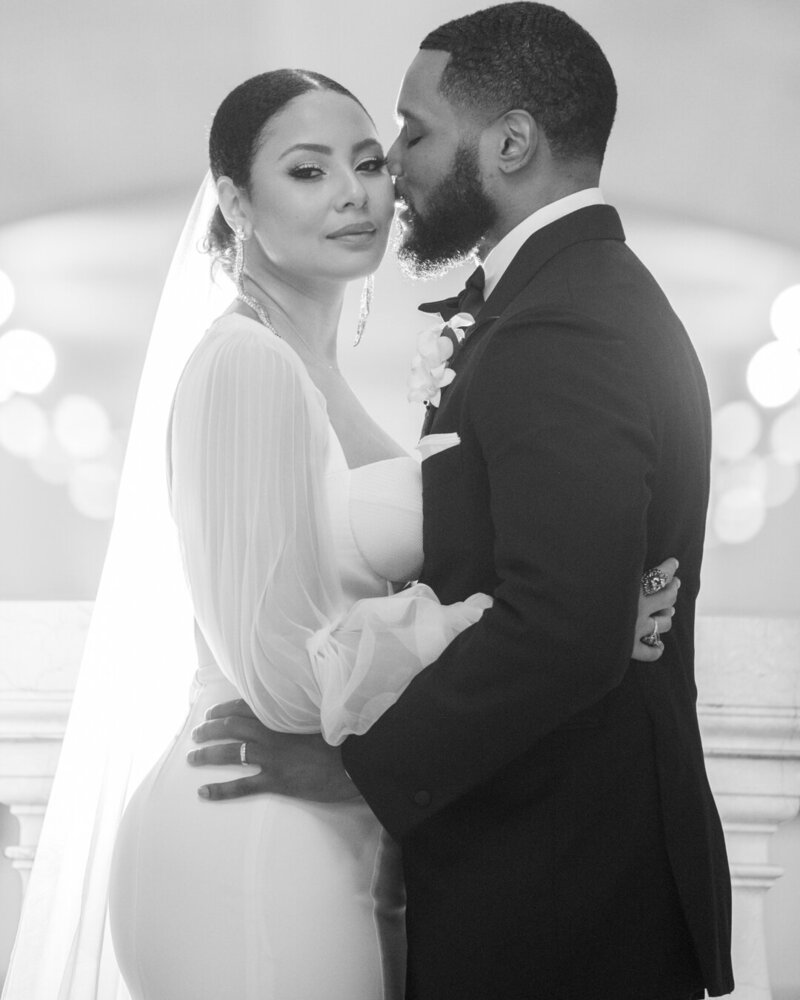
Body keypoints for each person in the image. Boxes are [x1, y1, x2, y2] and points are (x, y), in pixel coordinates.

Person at [190, 5, 734, 1000]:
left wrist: (358, 771)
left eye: (411, 130)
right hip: (544, 874)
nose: (391, 166)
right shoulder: (566, 301)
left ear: (510, 142)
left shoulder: (560, 326)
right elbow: (541, 588)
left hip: (558, 893)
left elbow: (558, 626)